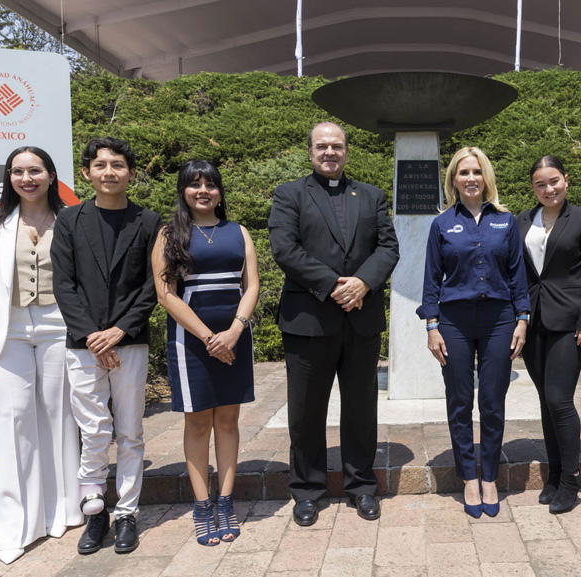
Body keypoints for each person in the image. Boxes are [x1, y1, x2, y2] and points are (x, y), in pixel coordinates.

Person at [268, 122, 399, 527]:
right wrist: (333, 286)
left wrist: (362, 283)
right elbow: (284, 249)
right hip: (308, 319)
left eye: (337, 146)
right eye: (322, 146)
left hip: (361, 318)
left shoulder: (372, 195)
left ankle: (361, 486)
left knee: (361, 408)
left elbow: (388, 247)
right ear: (310, 151)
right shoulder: (290, 194)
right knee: (306, 411)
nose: (330, 152)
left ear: (347, 150)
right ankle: (307, 490)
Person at [0, 146, 82, 564]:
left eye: (35, 170)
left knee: (60, 417)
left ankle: (64, 511)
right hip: (7, 332)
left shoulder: (71, 218)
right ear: (9, 177)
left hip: (58, 327)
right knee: (11, 424)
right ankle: (15, 527)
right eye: (18, 171)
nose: (26, 178)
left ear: (51, 175)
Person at [51, 137, 163, 554]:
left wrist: (118, 330)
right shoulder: (70, 220)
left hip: (130, 341)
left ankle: (127, 514)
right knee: (93, 429)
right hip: (82, 344)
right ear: (87, 174)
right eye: (101, 165)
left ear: (131, 173)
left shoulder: (149, 221)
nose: (110, 172)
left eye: (118, 165)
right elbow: (63, 283)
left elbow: (154, 285)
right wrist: (92, 336)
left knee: (130, 431)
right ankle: (94, 514)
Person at [418, 146, 530, 518]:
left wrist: (522, 319)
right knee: (460, 399)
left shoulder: (505, 221)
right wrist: (432, 325)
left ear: (487, 178)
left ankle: (489, 476)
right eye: (463, 172)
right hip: (454, 322)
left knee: (493, 400)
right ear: (453, 179)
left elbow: (518, 275)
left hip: (499, 319)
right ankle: (469, 475)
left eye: (477, 172)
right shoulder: (442, 224)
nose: (470, 179)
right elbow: (431, 278)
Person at [152, 160, 259, 545]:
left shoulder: (239, 232)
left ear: (219, 191)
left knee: (228, 422)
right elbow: (166, 295)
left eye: (210, 184)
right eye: (194, 185)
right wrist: (208, 338)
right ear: (183, 190)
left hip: (235, 336)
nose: (203, 191)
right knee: (198, 424)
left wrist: (234, 331)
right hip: (189, 342)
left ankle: (226, 500)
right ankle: (202, 506)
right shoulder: (169, 234)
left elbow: (251, 286)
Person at [517, 155, 581, 514]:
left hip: (570, 323)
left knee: (559, 399)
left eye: (553, 181)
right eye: (540, 184)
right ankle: (554, 475)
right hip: (533, 321)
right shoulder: (522, 220)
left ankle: (571, 479)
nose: (548, 189)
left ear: (565, 180)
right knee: (544, 400)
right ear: (534, 187)